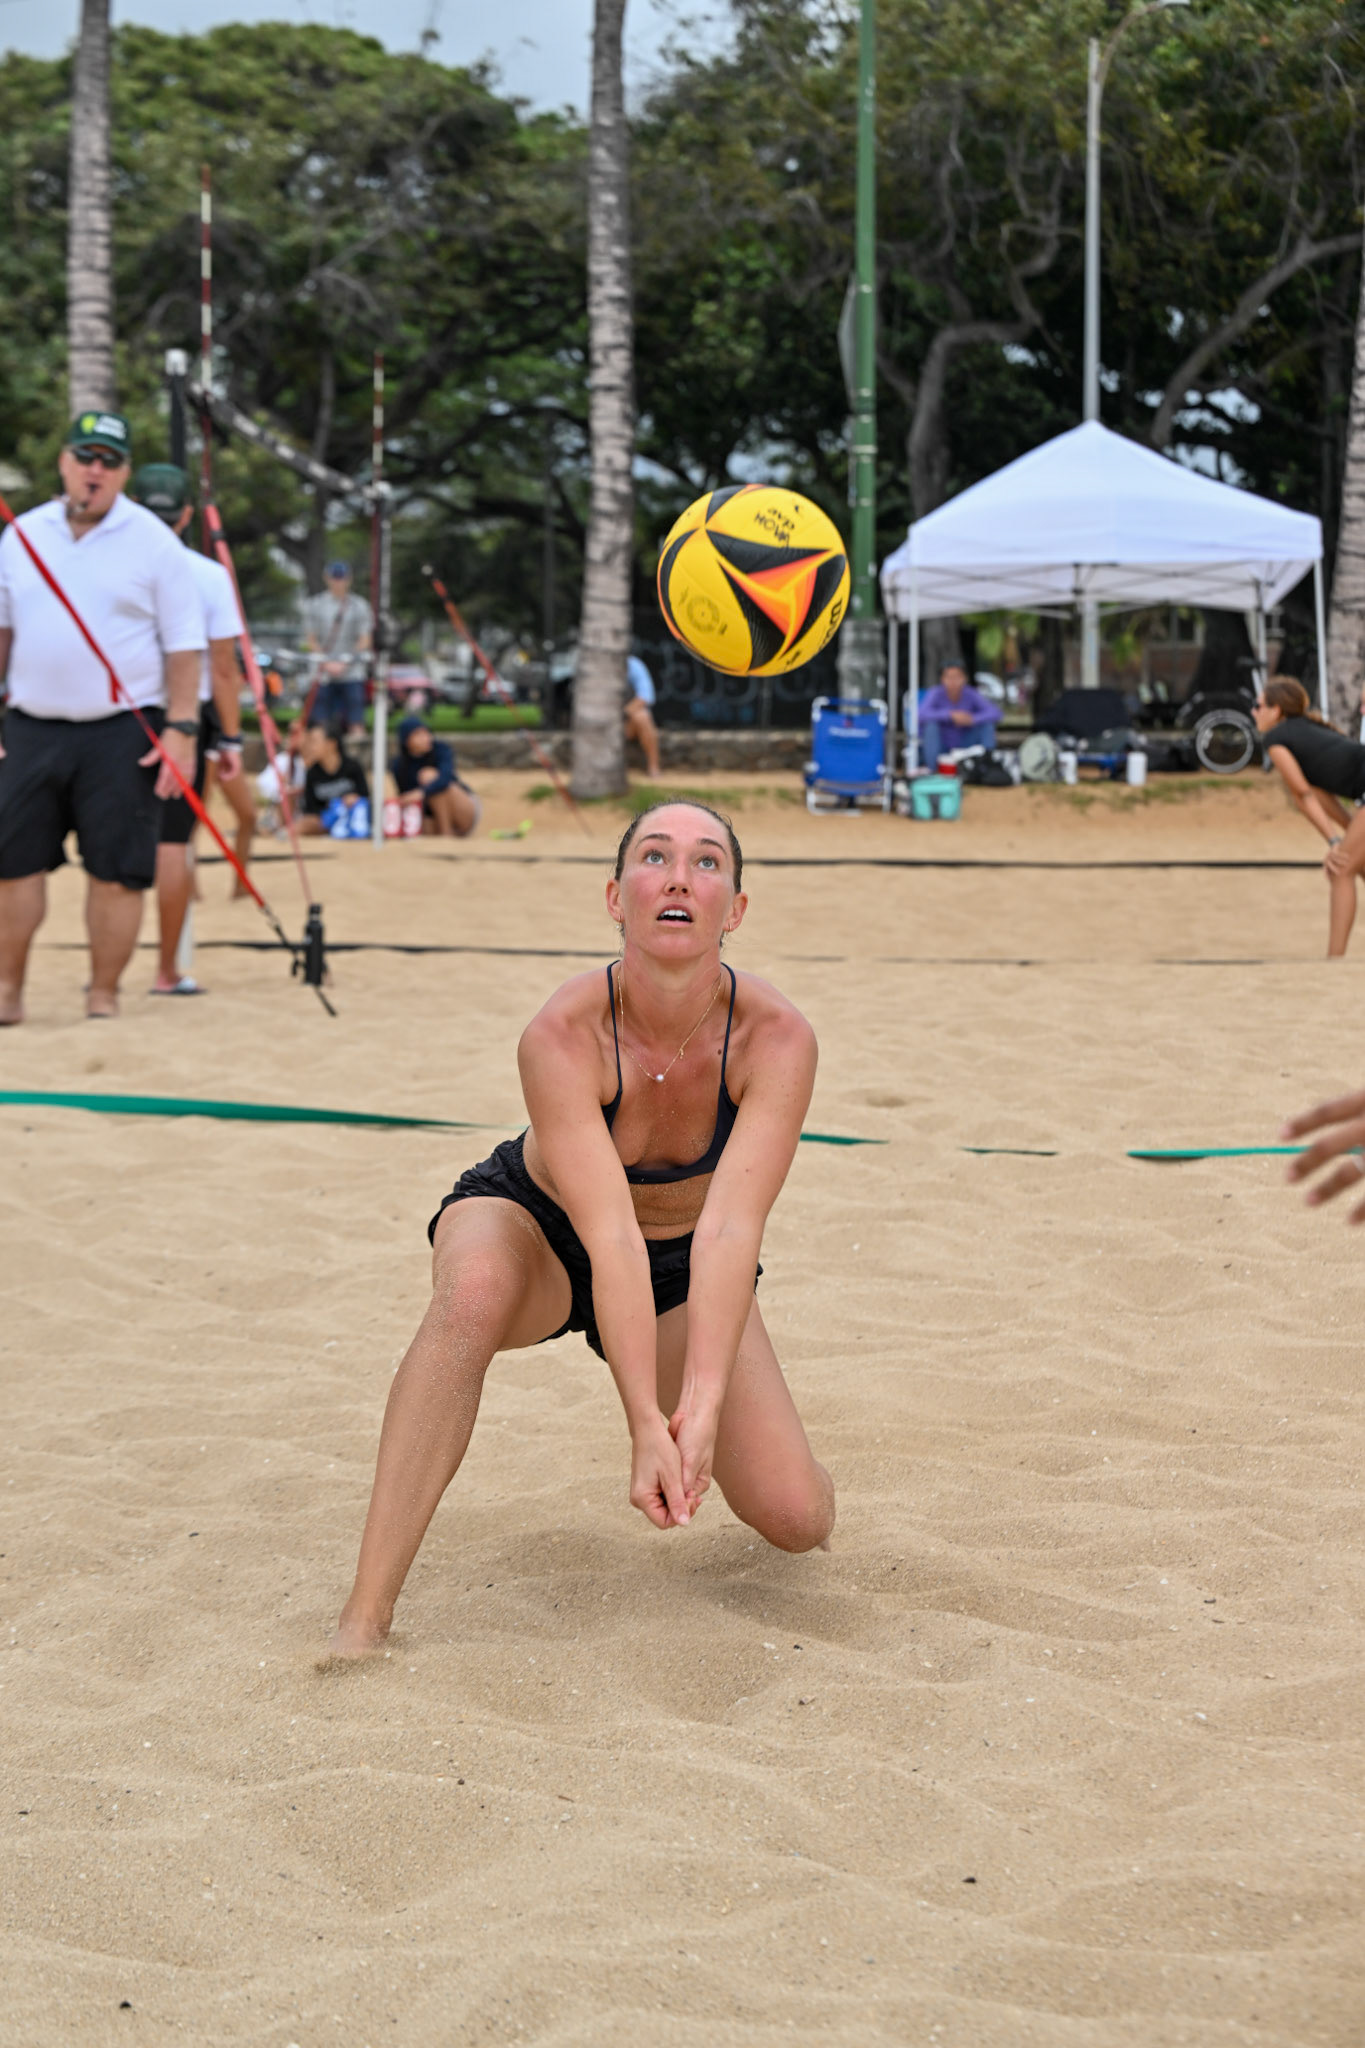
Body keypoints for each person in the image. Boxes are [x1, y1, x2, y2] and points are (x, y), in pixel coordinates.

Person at [326, 799, 834, 1658]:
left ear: (734, 910)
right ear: (615, 897)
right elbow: (609, 1242)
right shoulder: (560, 1033)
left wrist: (701, 1404)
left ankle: (780, 1458)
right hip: (539, 1228)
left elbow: (725, 1234)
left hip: (683, 1259)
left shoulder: (776, 1038)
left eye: (708, 862)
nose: (679, 875)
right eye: (655, 856)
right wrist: (644, 1419)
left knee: (796, 1518)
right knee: (472, 1295)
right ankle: (362, 1619)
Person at [0, 411, 204, 1022]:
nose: (95, 469)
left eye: (109, 460)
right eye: (85, 455)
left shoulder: (154, 542)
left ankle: (103, 993)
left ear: (124, 474)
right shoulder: (22, 533)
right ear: (64, 461)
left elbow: (185, 646)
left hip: (123, 728)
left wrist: (183, 731)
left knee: (118, 870)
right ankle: (7, 992)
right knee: (12, 864)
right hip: (30, 724)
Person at [130, 464, 247, 992]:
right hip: (183, 717)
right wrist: (230, 738)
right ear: (185, 515)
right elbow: (224, 668)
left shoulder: (109, 567)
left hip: (116, 714)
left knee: (113, 846)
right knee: (173, 842)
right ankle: (165, 970)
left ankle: (104, 978)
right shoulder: (206, 574)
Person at [1254, 676, 1365, 957]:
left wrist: (1334, 843)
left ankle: (1333, 961)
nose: (1254, 712)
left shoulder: (1276, 739)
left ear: (1276, 710)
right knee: (1354, 866)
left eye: (1258, 706)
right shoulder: (1308, 733)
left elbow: (1303, 795)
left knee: (1340, 871)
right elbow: (1318, 796)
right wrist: (1344, 836)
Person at [302, 561, 371, 741]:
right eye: (335, 577)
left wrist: (344, 662)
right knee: (319, 719)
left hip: (351, 670)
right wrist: (326, 662)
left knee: (356, 716)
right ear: (327, 578)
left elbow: (365, 639)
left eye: (342, 578)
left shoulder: (360, 605)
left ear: (349, 579)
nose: (338, 582)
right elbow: (310, 639)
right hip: (322, 670)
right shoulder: (315, 604)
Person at [391, 715, 481, 836]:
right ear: (406, 740)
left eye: (427, 733)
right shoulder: (399, 765)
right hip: (431, 815)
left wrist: (421, 793)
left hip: (462, 809)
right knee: (416, 824)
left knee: (429, 777)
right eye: (419, 735)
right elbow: (405, 795)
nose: (426, 738)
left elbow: (445, 778)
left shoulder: (441, 749)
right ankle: (442, 833)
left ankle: (446, 833)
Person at [919, 661, 1003, 772]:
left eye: (957, 677)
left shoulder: (970, 693)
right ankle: (933, 770)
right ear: (942, 679)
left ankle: (987, 767)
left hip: (965, 743)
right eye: (949, 677)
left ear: (965, 678)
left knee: (987, 725)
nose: (953, 681)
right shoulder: (935, 693)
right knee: (931, 726)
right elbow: (921, 714)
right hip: (941, 744)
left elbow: (996, 713)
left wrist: (972, 719)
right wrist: (949, 715)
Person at [299, 721, 369, 836]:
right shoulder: (312, 773)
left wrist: (353, 799)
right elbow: (310, 809)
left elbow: (365, 795)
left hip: (353, 819)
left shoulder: (352, 767)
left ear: (331, 744)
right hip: (324, 821)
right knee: (304, 824)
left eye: (314, 742)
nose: (310, 747)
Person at [625, 650, 661, 779]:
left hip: (625, 721)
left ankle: (653, 767)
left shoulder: (633, 665)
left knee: (642, 716)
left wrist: (622, 713)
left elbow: (646, 697)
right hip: (601, 723)